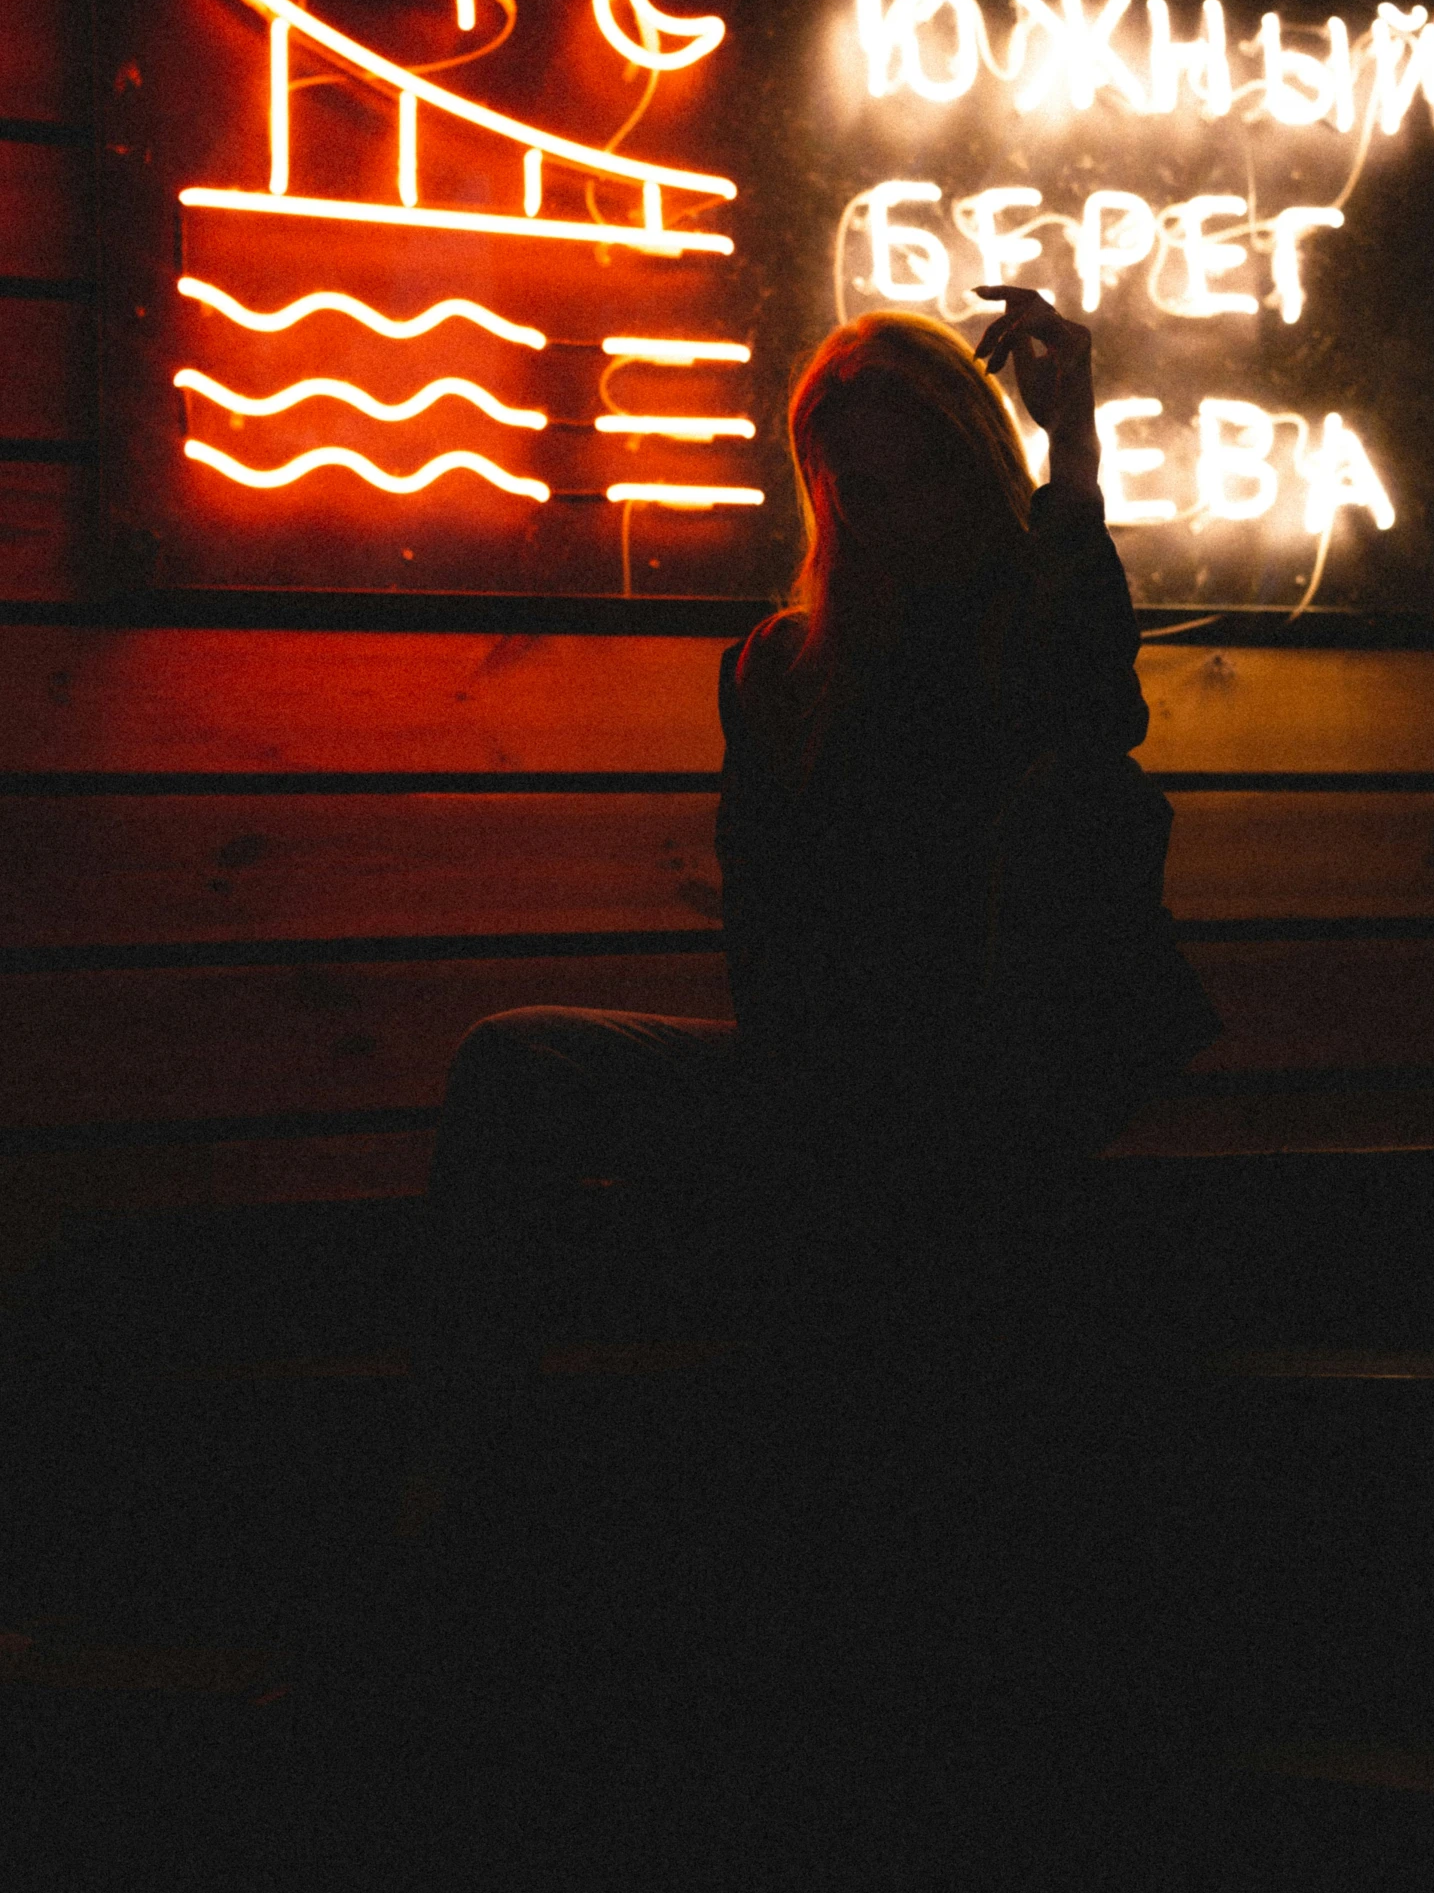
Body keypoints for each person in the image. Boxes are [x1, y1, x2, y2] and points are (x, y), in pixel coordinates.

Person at [392, 286, 1219, 1539]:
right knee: (520, 1059)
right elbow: (767, 938)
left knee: (1080, 805)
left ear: (974, 466)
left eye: (926, 475)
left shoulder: (1020, 631)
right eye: (866, 490)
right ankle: (449, 1487)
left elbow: (1090, 709)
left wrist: (1077, 456)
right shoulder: (783, 670)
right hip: (830, 1076)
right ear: (830, 499)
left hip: (986, 1078)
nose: (901, 517)